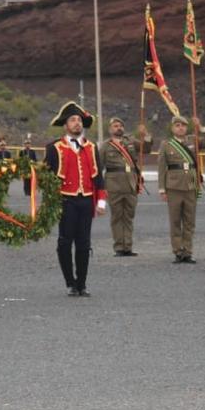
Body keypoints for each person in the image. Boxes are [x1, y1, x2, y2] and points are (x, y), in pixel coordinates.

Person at [45, 101, 106, 296]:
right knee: (65, 242)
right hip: (65, 201)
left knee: (84, 243)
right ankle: (70, 282)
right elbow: (46, 177)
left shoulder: (91, 147)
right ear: (65, 125)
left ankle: (82, 283)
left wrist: (101, 200)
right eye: (72, 120)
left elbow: (98, 176)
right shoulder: (54, 148)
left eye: (79, 120)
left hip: (86, 199)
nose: (77, 123)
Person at [101, 117, 152, 257]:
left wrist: (145, 134)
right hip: (113, 184)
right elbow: (99, 167)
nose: (119, 128)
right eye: (115, 126)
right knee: (117, 217)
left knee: (129, 216)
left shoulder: (130, 142)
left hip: (130, 184)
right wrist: (101, 187)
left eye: (121, 125)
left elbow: (146, 149)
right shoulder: (105, 146)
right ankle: (119, 247)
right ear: (110, 129)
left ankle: (128, 246)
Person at [157, 116, 204, 263]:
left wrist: (200, 127)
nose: (181, 128)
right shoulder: (166, 144)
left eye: (183, 125)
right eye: (177, 125)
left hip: (190, 184)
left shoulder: (193, 141)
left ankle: (188, 251)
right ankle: (178, 251)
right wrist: (162, 189)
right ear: (172, 128)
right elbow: (161, 168)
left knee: (189, 221)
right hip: (174, 186)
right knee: (176, 221)